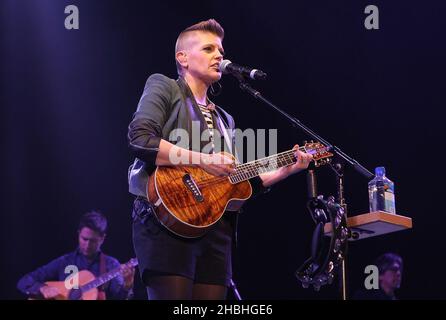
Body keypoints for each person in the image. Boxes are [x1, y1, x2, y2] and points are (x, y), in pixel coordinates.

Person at [127, 19, 313, 300]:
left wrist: (288, 168)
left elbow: (236, 182)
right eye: (209, 48)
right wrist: (203, 159)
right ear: (183, 57)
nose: (219, 56)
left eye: (221, 51)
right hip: (166, 218)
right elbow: (140, 139)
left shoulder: (225, 119)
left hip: (215, 231)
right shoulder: (164, 87)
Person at [17, 211, 135, 300]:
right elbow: (25, 281)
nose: (87, 245)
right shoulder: (65, 261)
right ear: (79, 234)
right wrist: (42, 288)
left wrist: (127, 286)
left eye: (93, 241)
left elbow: (119, 297)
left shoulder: (111, 265)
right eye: (84, 239)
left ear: (102, 238)